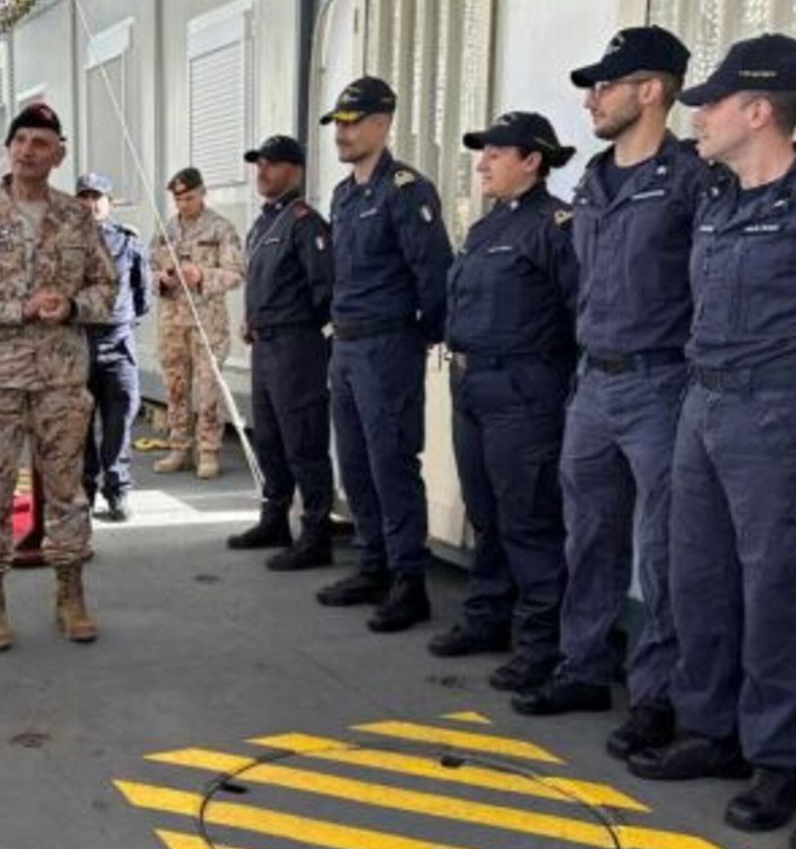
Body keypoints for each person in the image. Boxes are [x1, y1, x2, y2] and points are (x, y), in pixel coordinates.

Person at [511, 28, 709, 743]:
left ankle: (658, 695)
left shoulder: (692, 178)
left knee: (663, 550)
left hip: (661, 383)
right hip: (593, 383)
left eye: (606, 85)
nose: (591, 98)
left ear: (651, 90)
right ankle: (583, 668)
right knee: (588, 536)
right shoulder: (592, 181)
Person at [628, 34, 796, 836]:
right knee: (695, 572)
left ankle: (777, 758)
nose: (697, 115)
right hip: (702, 400)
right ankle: (712, 728)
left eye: (714, 102)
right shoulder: (717, 197)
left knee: (773, 591)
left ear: (759, 111)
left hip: (775, 411)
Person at [0, 102, 116, 651]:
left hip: (61, 378)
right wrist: (15, 308)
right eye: (20, 141)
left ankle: (71, 594)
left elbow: (107, 289)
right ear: (8, 149)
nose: (28, 151)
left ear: (58, 154)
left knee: (67, 490)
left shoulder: (76, 217)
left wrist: (74, 304)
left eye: (41, 143)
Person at [438, 112, 579, 694]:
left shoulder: (557, 226)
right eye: (483, 153)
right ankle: (487, 617)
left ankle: (541, 645)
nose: (482, 164)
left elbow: (580, 315)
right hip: (472, 385)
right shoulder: (485, 228)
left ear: (532, 160)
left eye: (496, 153)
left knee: (529, 520)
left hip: (524, 390)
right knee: (486, 512)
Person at [317, 77, 454, 633]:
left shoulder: (406, 190)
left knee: (392, 463)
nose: (343, 134)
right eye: (339, 125)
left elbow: (436, 275)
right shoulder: (345, 194)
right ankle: (371, 565)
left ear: (382, 123)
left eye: (353, 123)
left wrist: (417, 336)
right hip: (346, 345)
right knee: (354, 463)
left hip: (387, 345)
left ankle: (408, 581)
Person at [226, 135, 336, 569]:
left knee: (303, 440)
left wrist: (307, 335)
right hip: (266, 345)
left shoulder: (305, 222)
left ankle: (315, 534)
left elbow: (325, 289)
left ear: (294, 170)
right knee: (268, 437)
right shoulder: (264, 223)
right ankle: (274, 519)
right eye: (259, 165)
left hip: (297, 346)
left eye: (271, 164)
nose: (262, 172)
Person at [149, 167, 245, 478]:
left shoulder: (221, 229)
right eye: (178, 199)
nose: (183, 204)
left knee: (207, 389)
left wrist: (203, 276)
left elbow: (236, 274)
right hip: (172, 323)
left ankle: (208, 451)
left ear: (203, 193)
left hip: (208, 323)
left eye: (189, 197)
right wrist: (161, 279)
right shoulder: (166, 230)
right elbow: (148, 271)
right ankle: (179, 448)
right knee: (175, 387)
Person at [75, 172, 149, 522]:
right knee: (80, 424)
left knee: (120, 418)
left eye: (97, 197)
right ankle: (85, 490)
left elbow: (142, 295)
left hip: (118, 344)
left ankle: (117, 489)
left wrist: (122, 322)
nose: (90, 204)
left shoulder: (128, 241)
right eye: (84, 197)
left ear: (108, 202)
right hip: (78, 345)